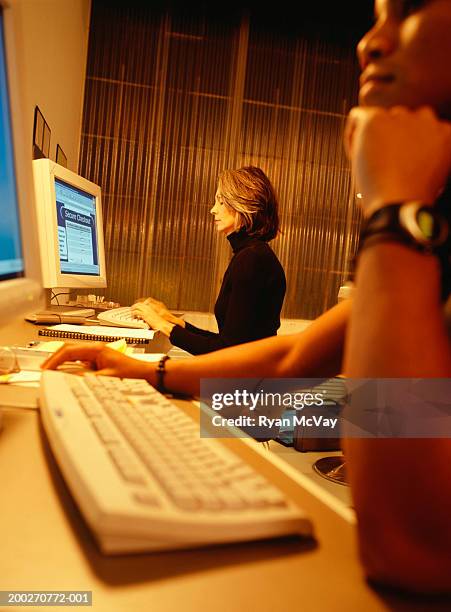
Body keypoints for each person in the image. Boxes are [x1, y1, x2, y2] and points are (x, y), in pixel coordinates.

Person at [43, 0, 451, 594]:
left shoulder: (385, 236)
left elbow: (410, 547)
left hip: (324, 417)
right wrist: (140, 369)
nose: (369, 43)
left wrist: (394, 209)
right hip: (315, 400)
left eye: (406, 11)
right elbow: (289, 359)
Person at [131, 166, 286, 355]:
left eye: (220, 202)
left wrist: (162, 325)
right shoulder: (252, 255)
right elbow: (228, 340)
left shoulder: (252, 261)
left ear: (242, 205)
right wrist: (172, 320)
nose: (213, 210)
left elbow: (227, 352)